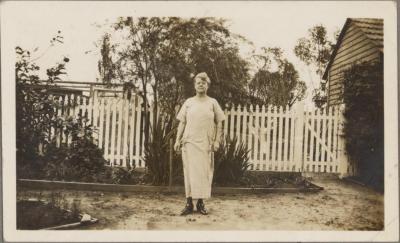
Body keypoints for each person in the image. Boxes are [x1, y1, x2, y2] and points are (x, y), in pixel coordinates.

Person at [174, 72, 225, 216]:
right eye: (198, 82)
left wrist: (216, 141)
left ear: (207, 85)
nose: (201, 84)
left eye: (204, 82)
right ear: (195, 86)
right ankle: (189, 203)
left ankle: (201, 203)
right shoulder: (189, 102)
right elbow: (182, 123)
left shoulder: (212, 102)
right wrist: (178, 140)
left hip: (205, 144)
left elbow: (220, 122)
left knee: (203, 173)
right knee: (189, 173)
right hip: (189, 142)